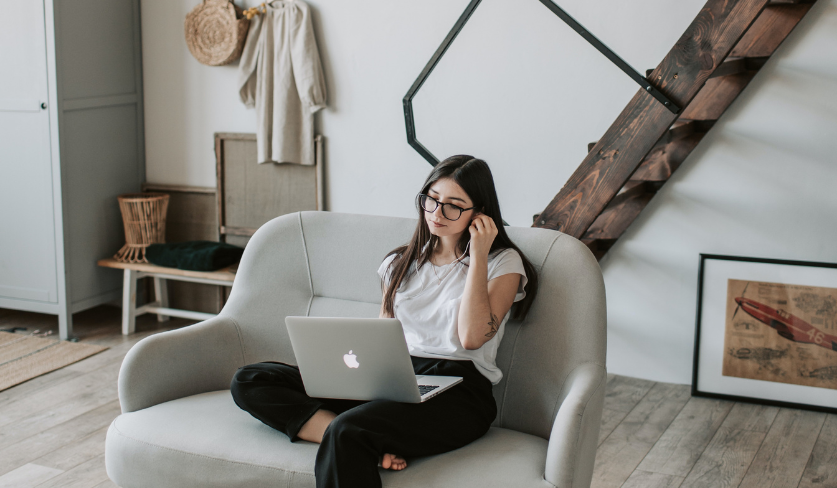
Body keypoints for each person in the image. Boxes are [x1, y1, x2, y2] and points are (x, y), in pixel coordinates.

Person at [230, 155, 539, 488]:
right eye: (432, 200)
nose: (437, 213)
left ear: (479, 214)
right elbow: (382, 336)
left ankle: (350, 433)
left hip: (460, 392)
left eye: (454, 205)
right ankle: (346, 434)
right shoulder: (399, 262)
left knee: (349, 430)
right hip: (395, 376)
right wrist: (358, 374)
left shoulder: (503, 263)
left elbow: (472, 337)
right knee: (250, 379)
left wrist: (479, 254)